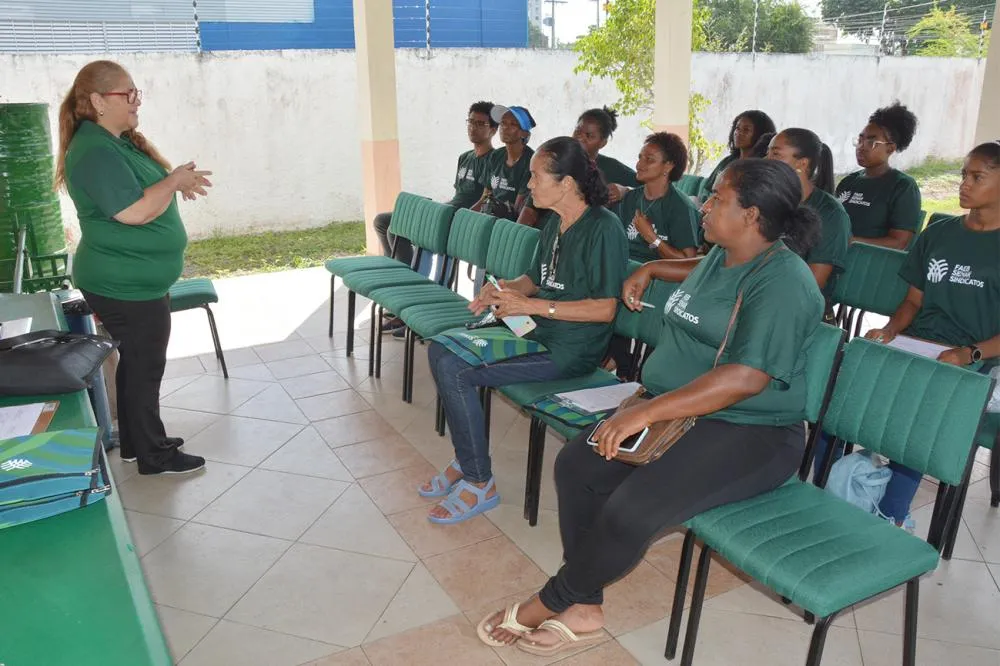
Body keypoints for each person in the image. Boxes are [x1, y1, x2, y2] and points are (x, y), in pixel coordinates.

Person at [476, 159, 823, 655]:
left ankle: (552, 600)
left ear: (750, 215)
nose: (704, 204)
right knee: (578, 466)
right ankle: (587, 605)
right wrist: (653, 265)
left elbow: (746, 377)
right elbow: (702, 274)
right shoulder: (723, 254)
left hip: (751, 430)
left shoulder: (784, 281)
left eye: (717, 199)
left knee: (632, 506)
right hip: (679, 409)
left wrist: (642, 412)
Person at [420, 137, 629, 524]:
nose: (528, 184)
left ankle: (478, 480)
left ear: (566, 183)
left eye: (535, 176)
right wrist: (504, 291)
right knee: (441, 349)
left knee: (454, 368)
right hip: (536, 328)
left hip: (568, 348)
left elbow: (605, 309)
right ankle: (468, 457)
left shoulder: (603, 228)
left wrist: (529, 305)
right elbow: (535, 279)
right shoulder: (554, 222)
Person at [54, 60, 210, 475]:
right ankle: (153, 455)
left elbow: (146, 196)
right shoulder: (94, 151)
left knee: (137, 363)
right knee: (146, 367)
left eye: (136, 93)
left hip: (132, 279)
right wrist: (173, 181)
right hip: (122, 282)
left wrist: (174, 182)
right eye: (129, 94)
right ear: (97, 102)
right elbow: (133, 212)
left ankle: (137, 444)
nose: (136, 101)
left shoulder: (115, 143)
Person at [839, 140, 1000, 527]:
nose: (964, 184)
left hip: (983, 360)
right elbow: (912, 303)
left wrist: (969, 353)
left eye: (977, 177)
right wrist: (890, 330)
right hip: (924, 345)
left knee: (917, 411)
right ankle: (831, 491)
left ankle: (891, 514)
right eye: (963, 174)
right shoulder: (941, 232)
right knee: (845, 384)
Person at [379, 101, 499, 333]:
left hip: (462, 221)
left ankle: (418, 310)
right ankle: (405, 291)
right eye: (470, 121)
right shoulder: (464, 157)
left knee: (431, 240)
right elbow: (458, 194)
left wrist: (456, 217)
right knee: (386, 222)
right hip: (446, 211)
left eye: (480, 123)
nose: (473, 127)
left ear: (493, 130)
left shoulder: (493, 161)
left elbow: (485, 198)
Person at [517, 107, 637, 227]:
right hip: (546, 233)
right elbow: (529, 210)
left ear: (602, 143)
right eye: (577, 131)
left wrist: (625, 191)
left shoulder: (613, 168)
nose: (580, 138)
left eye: (588, 135)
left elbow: (648, 187)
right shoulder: (559, 159)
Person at [766, 128, 850, 300]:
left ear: (801, 164)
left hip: (796, 303)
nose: (766, 160)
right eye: (767, 153)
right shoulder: (768, 200)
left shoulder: (830, 213)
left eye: (775, 154)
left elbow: (813, 282)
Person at [836, 101, 922, 250]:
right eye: (860, 140)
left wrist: (851, 242)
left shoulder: (902, 186)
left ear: (890, 148)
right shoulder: (848, 182)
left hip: (869, 263)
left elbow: (899, 243)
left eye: (872, 142)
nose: (861, 147)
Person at [615, 132, 700, 262]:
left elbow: (687, 261)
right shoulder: (629, 198)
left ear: (668, 166)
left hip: (656, 277)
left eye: (649, 159)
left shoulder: (681, 207)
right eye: (640, 158)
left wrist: (652, 237)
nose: (639, 165)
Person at [472, 104, 536, 221]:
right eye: (503, 123)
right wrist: (466, 215)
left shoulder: (531, 162)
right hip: (489, 216)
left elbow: (518, 210)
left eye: (512, 124)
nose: (504, 127)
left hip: (508, 223)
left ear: (524, 133)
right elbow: (485, 198)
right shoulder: (496, 156)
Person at [696, 110, 776, 203]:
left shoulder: (759, 168)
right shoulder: (728, 161)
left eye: (746, 130)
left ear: (760, 134)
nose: (738, 133)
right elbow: (706, 189)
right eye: (737, 128)